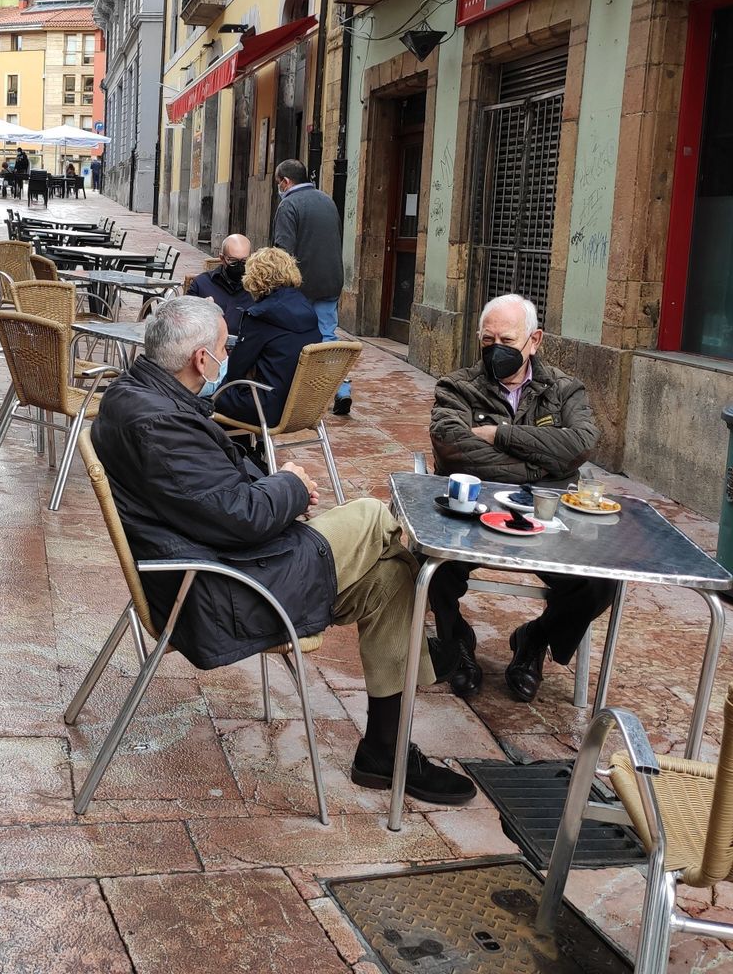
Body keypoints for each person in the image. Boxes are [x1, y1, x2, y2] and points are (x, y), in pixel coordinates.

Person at [91, 297, 477, 806]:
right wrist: (289, 484)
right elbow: (241, 517)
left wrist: (273, 490)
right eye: (224, 348)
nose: (228, 356)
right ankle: (447, 632)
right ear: (201, 361)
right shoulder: (158, 423)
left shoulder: (136, 395)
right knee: (373, 516)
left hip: (221, 565)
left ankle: (385, 749)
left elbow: (213, 501)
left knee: (393, 581)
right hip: (221, 589)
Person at [426, 293, 607, 703]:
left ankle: (533, 639)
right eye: (487, 341)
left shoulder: (564, 389)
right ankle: (457, 644)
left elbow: (581, 443)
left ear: (534, 340)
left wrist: (501, 435)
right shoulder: (457, 387)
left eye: (507, 341)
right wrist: (543, 465)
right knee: (429, 560)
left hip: (547, 516)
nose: (496, 350)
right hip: (472, 516)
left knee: (599, 581)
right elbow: (452, 446)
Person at [212, 247, 322, 429]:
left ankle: (231, 452)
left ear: (254, 277)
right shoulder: (305, 306)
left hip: (267, 408)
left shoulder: (260, 315)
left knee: (202, 392)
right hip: (302, 406)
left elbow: (235, 371)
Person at [273, 159, 349, 416]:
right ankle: (342, 390)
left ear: (285, 181)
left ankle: (294, 393)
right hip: (330, 280)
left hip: (301, 284)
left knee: (293, 335)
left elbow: (284, 250)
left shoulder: (288, 205)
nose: (279, 188)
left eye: (278, 183)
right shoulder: (327, 200)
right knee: (327, 336)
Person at [186, 234, 254, 333]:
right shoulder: (202, 284)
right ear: (222, 258)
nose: (239, 266)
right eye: (233, 261)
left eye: (244, 261)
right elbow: (185, 320)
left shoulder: (258, 287)